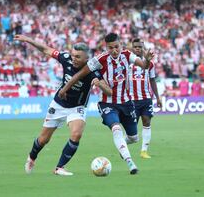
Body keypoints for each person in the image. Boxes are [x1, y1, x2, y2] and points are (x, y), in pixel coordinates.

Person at [14, 34, 112, 176]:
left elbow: (109, 92)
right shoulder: (66, 59)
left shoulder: (93, 71)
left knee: (76, 134)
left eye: (78, 57)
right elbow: (46, 49)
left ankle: (59, 167)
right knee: (43, 139)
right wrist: (29, 40)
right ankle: (31, 158)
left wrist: (100, 85)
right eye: (73, 55)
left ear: (87, 59)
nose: (73, 59)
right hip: (58, 104)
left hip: (77, 107)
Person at [58, 33, 154, 174]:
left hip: (127, 103)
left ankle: (122, 145)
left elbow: (145, 66)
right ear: (106, 47)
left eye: (116, 47)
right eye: (110, 48)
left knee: (134, 138)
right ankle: (130, 163)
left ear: (120, 45)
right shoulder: (100, 59)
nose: (114, 50)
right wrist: (64, 88)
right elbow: (80, 74)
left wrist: (146, 59)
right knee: (116, 128)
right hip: (107, 104)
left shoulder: (127, 55)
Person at [128, 38, 162, 159]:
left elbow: (152, 80)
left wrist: (158, 97)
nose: (137, 48)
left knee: (147, 122)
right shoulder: (127, 62)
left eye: (140, 47)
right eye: (135, 46)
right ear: (132, 48)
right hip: (132, 100)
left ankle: (144, 151)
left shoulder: (150, 64)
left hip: (146, 98)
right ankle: (123, 144)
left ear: (143, 48)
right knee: (132, 130)